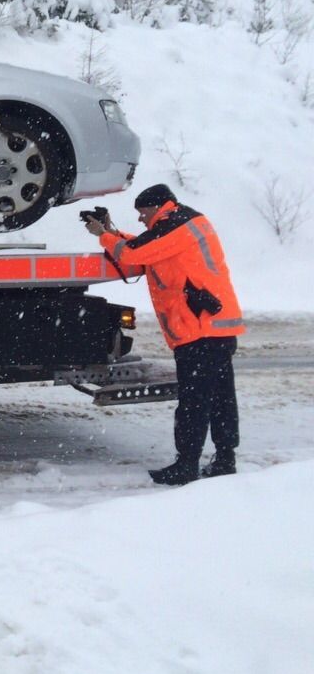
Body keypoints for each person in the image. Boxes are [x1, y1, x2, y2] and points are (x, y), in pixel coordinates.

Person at [84, 184, 245, 485]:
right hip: (212, 328)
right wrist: (112, 232)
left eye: (142, 214)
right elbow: (144, 248)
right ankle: (225, 459)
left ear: (158, 206)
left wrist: (103, 236)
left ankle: (187, 465)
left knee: (195, 402)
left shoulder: (179, 225)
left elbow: (136, 254)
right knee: (221, 398)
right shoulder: (180, 224)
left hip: (200, 331)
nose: (141, 220)